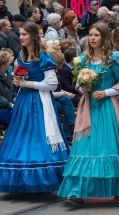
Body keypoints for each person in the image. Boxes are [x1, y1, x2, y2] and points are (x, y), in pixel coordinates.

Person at [57, 23, 119, 200]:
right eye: (91, 35)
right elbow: (78, 85)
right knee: (85, 148)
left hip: (109, 107)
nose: (93, 38)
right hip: (88, 108)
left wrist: (106, 92)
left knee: (110, 147)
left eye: (97, 35)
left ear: (104, 37)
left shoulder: (114, 58)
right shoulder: (83, 58)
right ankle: (78, 192)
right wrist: (83, 88)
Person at [0, 21, 70, 194]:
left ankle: (44, 180)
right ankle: (22, 180)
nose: (21, 37)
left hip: (40, 101)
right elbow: (21, 79)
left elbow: (52, 84)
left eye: (24, 34)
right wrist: (17, 82)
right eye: (20, 34)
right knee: (22, 136)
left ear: (33, 36)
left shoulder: (44, 57)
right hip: (24, 101)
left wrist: (26, 83)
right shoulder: (19, 57)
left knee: (40, 136)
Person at [49, 51, 76, 145]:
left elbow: (59, 89)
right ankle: (70, 129)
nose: (63, 64)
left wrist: (66, 93)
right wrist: (65, 94)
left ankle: (69, 131)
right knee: (67, 102)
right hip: (48, 98)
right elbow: (50, 93)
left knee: (66, 101)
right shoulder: (50, 74)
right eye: (62, 62)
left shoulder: (56, 72)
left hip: (56, 96)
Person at [0, 50, 14, 114]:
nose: (10, 62)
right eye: (8, 61)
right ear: (3, 65)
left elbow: (11, 90)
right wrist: (8, 103)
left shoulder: (7, 74)